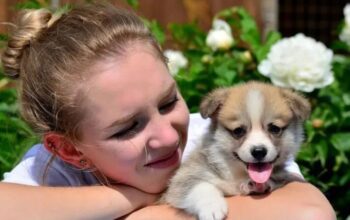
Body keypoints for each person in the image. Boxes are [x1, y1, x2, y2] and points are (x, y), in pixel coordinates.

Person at [0, 3, 335, 219]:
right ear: (69, 149)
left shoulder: (217, 139)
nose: (167, 135)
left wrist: (151, 214)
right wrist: (127, 199)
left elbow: (309, 213)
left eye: (168, 102)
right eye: (127, 128)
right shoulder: (47, 175)